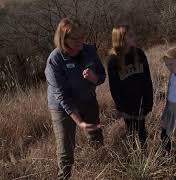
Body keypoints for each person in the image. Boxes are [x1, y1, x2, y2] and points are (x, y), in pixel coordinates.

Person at [45, 18, 106, 179]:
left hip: (88, 100)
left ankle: (101, 169)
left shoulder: (89, 50)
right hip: (62, 108)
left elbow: (102, 76)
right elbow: (62, 96)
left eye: (82, 37)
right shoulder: (55, 60)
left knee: (96, 136)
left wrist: (94, 79)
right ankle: (64, 176)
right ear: (64, 39)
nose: (81, 41)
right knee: (66, 149)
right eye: (75, 38)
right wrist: (79, 122)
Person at [107, 25, 153, 146]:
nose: (134, 37)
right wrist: (122, 108)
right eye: (130, 36)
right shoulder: (113, 60)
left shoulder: (139, 54)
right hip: (127, 106)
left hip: (141, 102)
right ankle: (135, 159)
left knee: (142, 133)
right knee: (131, 133)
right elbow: (114, 88)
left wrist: (149, 102)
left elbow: (147, 80)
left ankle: (146, 158)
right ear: (121, 39)